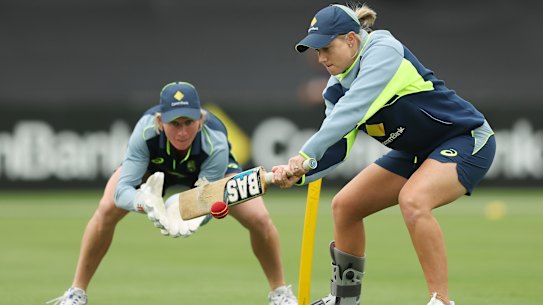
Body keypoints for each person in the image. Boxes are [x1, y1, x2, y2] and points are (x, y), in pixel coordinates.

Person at [271, 4, 496, 305]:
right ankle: (345, 301)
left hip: (466, 138)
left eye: (327, 47)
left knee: (414, 200)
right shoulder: (334, 89)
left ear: (351, 39)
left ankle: (441, 301)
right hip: (417, 152)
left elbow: (353, 110)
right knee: (345, 206)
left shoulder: (383, 51)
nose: (321, 57)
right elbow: (336, 148)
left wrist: (304, 153)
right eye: (316, 50)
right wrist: (300, 172)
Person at [48, 81, 297, 305]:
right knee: (105, 210)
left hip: (208, 178)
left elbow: (208, 196)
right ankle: (76, 294)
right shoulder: (145, 133)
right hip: (154, 169)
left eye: (188, 122)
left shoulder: (215, 141)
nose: (182, 132)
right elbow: (122, 191)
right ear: (160, 121)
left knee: (260, 219)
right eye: (174, 124)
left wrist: (193, 214)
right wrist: (143, 202)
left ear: (200, 120)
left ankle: (279, 294)